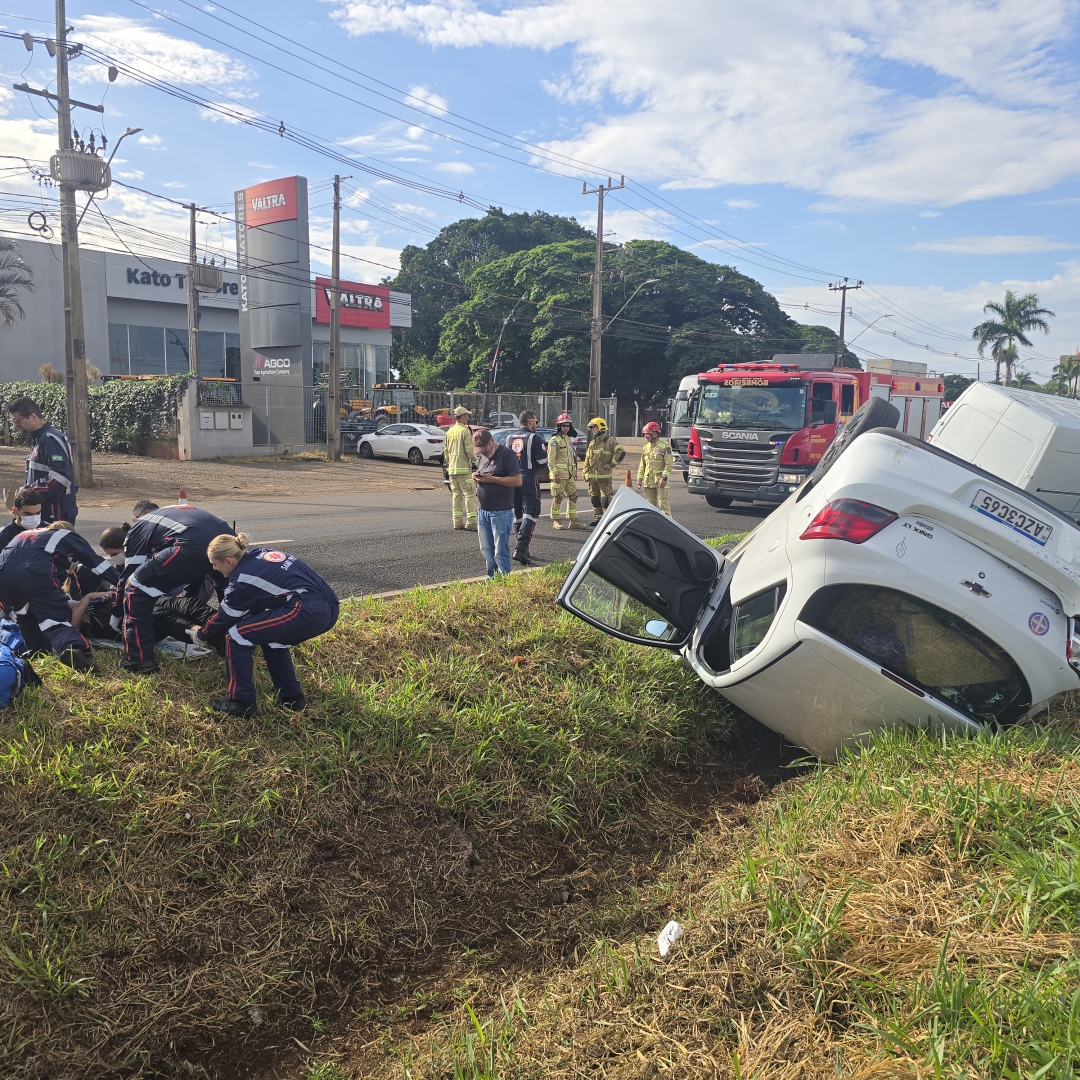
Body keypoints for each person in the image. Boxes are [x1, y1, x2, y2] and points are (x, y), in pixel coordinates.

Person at [191, 533, 340, 717]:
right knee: (272, 641)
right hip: (329, 606)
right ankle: (292, 699)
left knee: (236, 635)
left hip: (306, 611)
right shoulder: (261, 554)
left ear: (228, 561)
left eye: (214, 564)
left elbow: (226, 616)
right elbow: (257, 603)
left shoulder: (242, 579)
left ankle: (241, 702)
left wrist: (202, 634)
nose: (214, 568)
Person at [118, 500, 235, 674]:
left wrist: (116, 611)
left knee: (135, 589)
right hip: (226, 542)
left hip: (192, 546)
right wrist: (188, 598)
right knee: (229, 595)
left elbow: (130, 575)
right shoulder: (171, 513)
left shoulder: (140, 525)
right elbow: (195, 568)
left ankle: (139, 660)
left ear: (135, 518)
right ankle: (237, 637)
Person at [0, 521, 119, 671]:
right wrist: (123, 584)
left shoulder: (27, 536)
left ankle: (36, 656)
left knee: (25, 617)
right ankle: (71, 648)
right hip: (32, 571)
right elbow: (98, 564)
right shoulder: (69, 537)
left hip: (3, 575)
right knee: (55, 620)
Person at [7, 396, 78, 525]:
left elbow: (61, 477)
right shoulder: (38, 438)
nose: (15, 425)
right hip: (45, 510)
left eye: (17, 420)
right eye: (13, 421)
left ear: (33, 416)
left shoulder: (49, 439)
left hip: (55, 513)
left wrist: (27, 491)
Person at [471, 427, 522, 577]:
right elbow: (485, 473)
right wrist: (477, 477)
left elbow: (517, 481)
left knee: (500, 550)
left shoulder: (507, 455)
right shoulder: (483, 456)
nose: (483, 452)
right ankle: (492, 578)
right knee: (486, 549)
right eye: (479, 450)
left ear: (492, 441)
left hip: (500, 511)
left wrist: (491, 479)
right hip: (483, 510)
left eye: (484, 449)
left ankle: (503, 579)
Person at [507, 411, 548, 565]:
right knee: (532, 512)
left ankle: (523, 547)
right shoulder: (534, 438)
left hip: (513, 479)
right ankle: (521, 548)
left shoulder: (509, 438)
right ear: (530, 421)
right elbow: (542, 461)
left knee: (518, 514)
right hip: (529, 478)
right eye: (536, 422)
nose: (536, 425)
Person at [583, 417, 626, 526]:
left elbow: (621, 452)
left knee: (605, 501)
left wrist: (611, 464)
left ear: (601, 427)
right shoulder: (592, 443)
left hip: (604, 479)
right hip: (592, 479)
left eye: (594, 427)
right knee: (594, 499)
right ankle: (598, 519)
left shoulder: (609, 441)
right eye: (591, 428)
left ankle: (607, 521)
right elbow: (587, 459)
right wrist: (585, 473)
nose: (592, 430)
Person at [445, 405, 478, 531]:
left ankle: (457, 522)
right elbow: (469, 450)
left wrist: (451, 463)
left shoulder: (449, 432)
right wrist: (478, 462)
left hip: (452, 469)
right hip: (463, 469)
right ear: (463, 417)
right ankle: (471, 522)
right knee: (469, 495)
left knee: (456, 495)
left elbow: (446, 452)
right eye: (467, 415)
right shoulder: (465, 431)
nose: (468, 417)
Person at [547, 413, 581, 530]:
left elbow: (571, 458)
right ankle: (557, 521)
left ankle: (573, 521)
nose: (566, 428)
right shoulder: (554, 440)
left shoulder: (567, 439)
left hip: (569, 474)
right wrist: (555, 473)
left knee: (574, 496)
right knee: (558, 497)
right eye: (563, 426)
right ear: (559, 426)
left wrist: (574, 472)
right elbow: (550, 460)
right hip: (559, 475)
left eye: (568, 426)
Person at [637, 421, 675, 516]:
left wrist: (664, 478)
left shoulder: (665, 446)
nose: (645, 436)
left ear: (654, 433)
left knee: (663, 505)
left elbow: (669, 464)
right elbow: (642, 465)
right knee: (650, 507)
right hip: (648, 482)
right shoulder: (645, 448)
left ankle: (667, 524)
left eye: (647, 434)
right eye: (645, 434)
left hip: (660, 481)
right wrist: (639, 478)